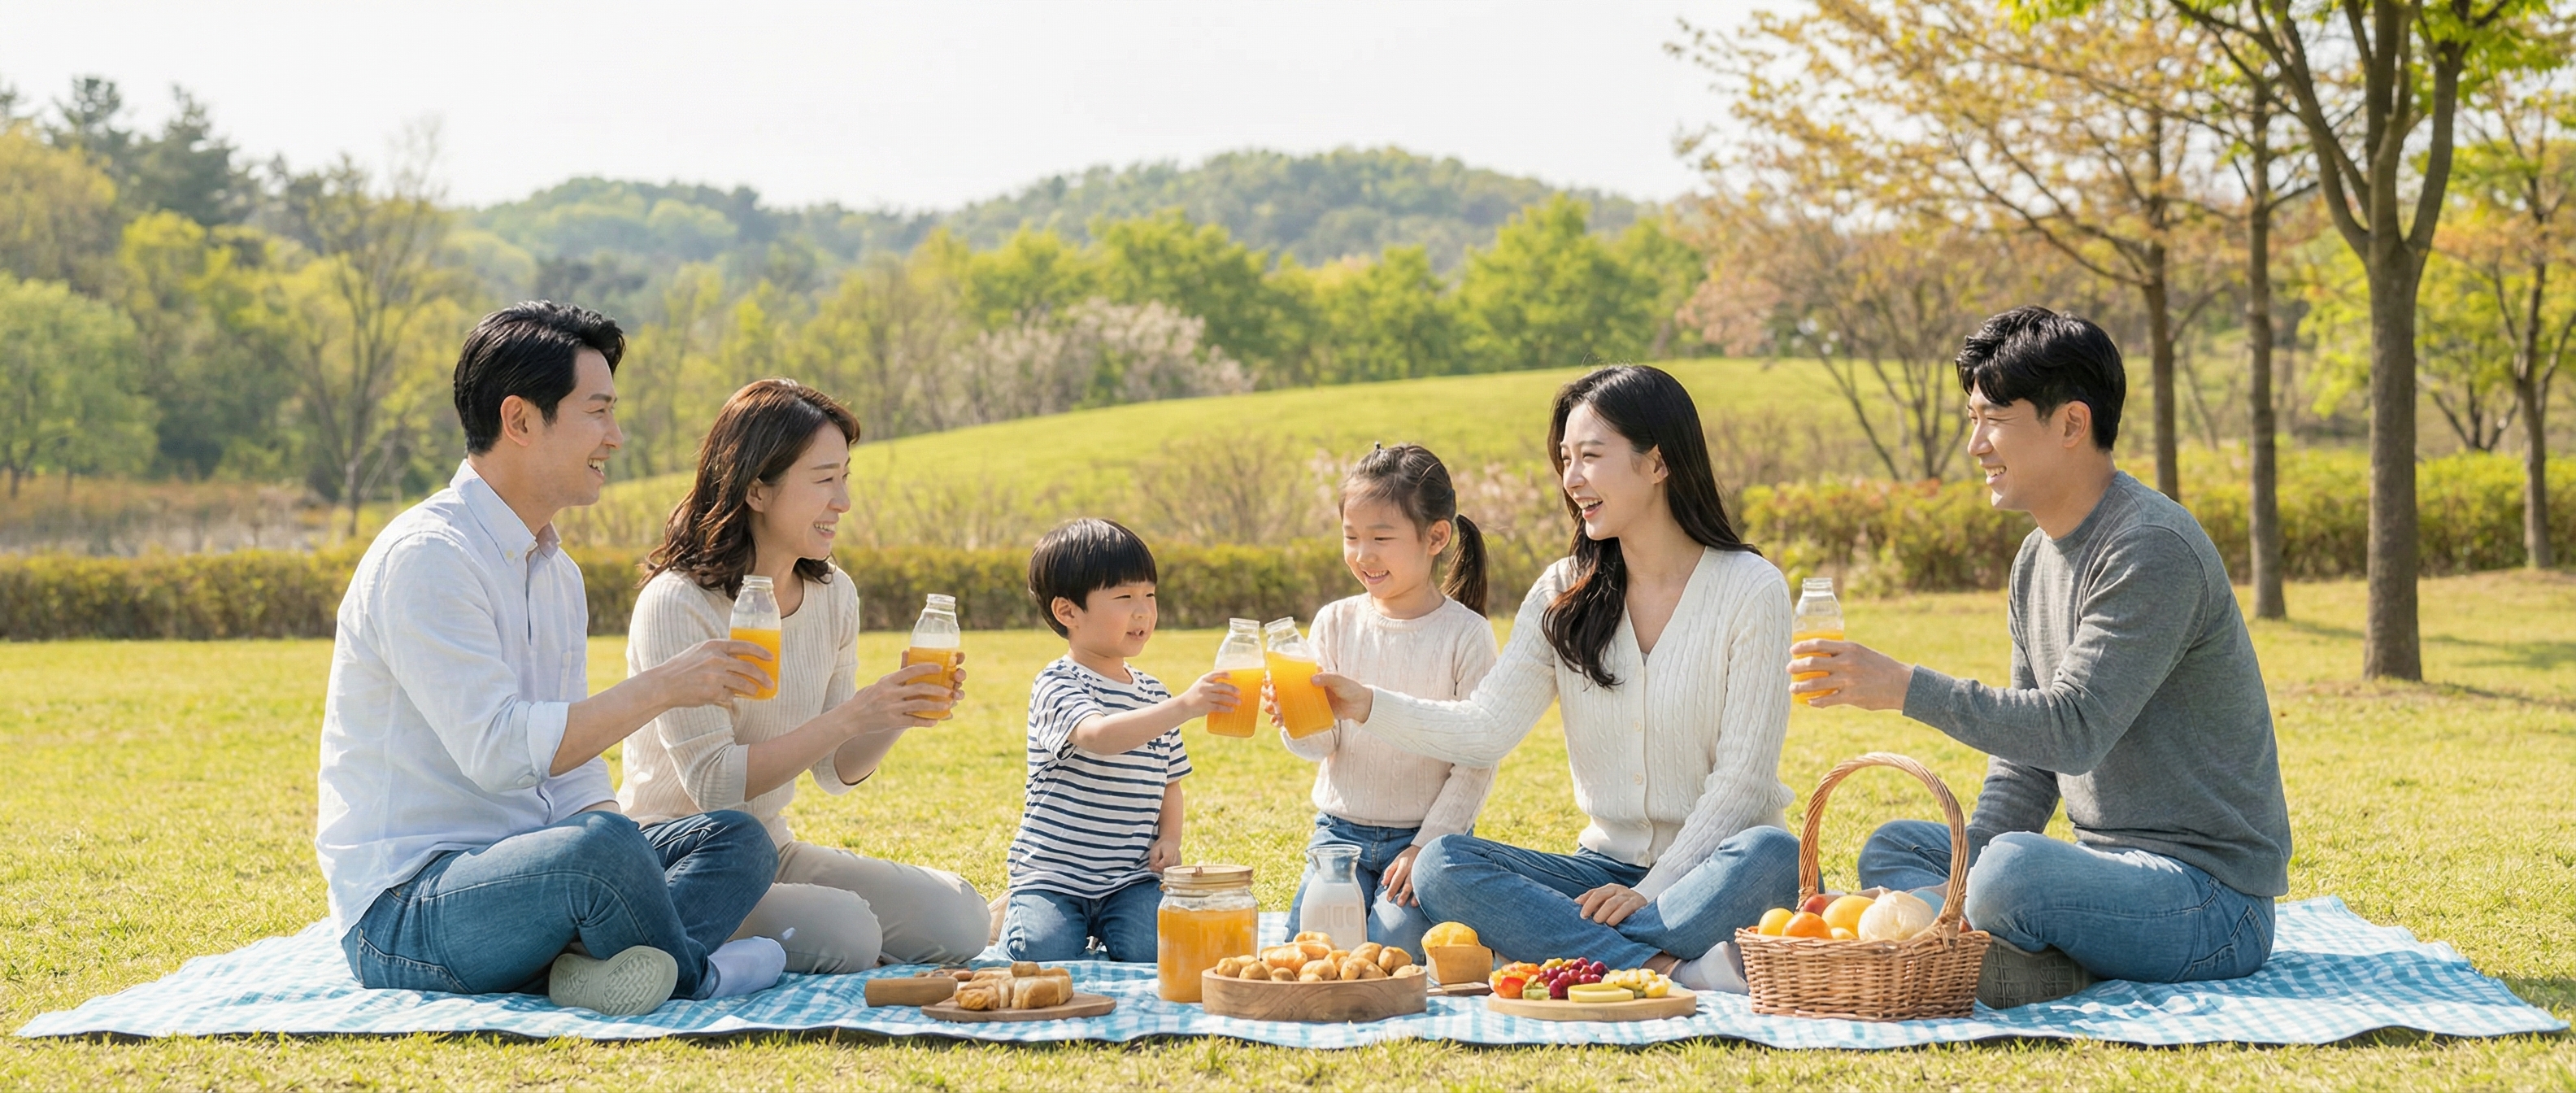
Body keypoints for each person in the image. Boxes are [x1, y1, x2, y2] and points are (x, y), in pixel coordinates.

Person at [1791, 306, 2291, 1008]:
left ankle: (2006, 954)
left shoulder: (2150, 548)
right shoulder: (2034, 559)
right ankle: (2001, 947)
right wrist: (1966, 869)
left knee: (2012, 874)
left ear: (2070, 424)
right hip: (2103, 871)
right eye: (1973, 418)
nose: (1976, 445)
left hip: (2208, 898)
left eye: (1994, 418)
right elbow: (2029, 767)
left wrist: (1903, 686)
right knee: (1898, 849)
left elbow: (2072, 730)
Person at [316, 302, 786, 1017]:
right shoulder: (429, 560)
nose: (615, 437)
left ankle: (589, 965)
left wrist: (627, 853)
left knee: (737, 840)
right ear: (521, 420)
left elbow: (571, 776)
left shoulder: (554, 570)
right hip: (409, 909)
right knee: (601, 850)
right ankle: (698, 974)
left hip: (538, 870)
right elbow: (502, 753)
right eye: (597, 413)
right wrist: (663, 686)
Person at [1311, 365, 1799, 993]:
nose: (1571, 480)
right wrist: (1367, 704)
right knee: (1443, 866)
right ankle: (1670, 969)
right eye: (1565, 459)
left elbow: (1743, 781)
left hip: (1712, 870)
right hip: (1598, 874)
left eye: (1591, 457)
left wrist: (1651, 893)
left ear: (1658, 463)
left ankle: (1573, 948)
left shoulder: (1750, 588)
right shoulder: (1563, 590)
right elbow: (1486, 729)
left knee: (1773, 857)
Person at [616, 379, 992, 973]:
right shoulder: (679, 602)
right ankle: (660, 936)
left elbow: (836, 770)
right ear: (758, 488)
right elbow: (715, 785)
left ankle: (751, 944)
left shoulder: (832, 592)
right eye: (824, 480)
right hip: (685, 859)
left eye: (845, 477)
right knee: (847, 933)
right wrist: (852, 714)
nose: (842, 501)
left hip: (771, 847)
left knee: (962, 918)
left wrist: (896, 712)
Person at [1278, 444, 1499, 956]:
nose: (1363, 555)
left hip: (1422, 839)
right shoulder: (1335, 622)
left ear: (1436, 536)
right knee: (1318, 948)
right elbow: (1319, 746)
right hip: (1338, 835)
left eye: (1381, 538)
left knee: (1391, 945)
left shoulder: (1467, 635)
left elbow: (1475, 761)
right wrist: (1296, 716)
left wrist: (1424, 848)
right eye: (1351, 538)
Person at [1001, 518, 1242, 962]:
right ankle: (1018, 909)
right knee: (1044, 951)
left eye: (1149, 595)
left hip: (1129, 878)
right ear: (1067, 612)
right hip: (1055, 875)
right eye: (1125, 597)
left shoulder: (1154, 693)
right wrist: (1186, 706)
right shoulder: (1058, 682)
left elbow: (1171, 781)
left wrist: (1170, 838)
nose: (1143, 611)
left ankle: (1102, 921)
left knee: (1155, 950)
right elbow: (1097, 736)